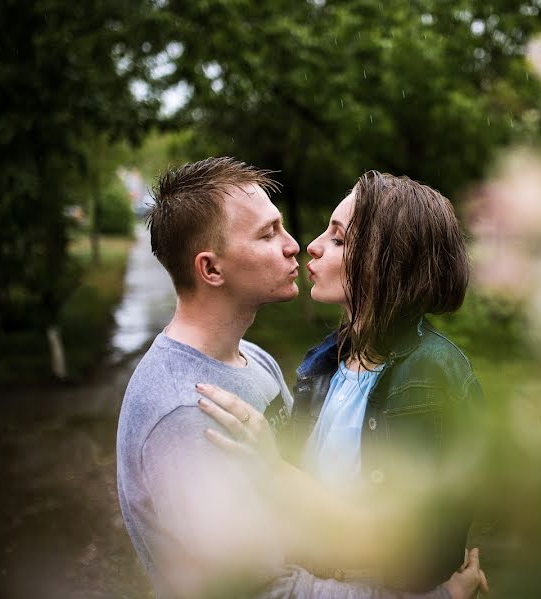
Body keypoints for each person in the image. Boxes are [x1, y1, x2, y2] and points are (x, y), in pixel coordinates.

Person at [116, 158, 485, 599]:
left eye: (337, 238)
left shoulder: (256, 360)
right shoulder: (186, 416)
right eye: (268, 233)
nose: (300, 245)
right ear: (211, 270)